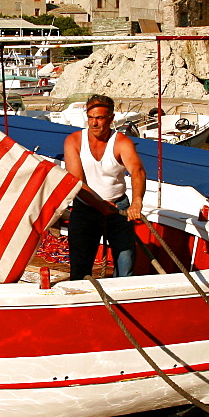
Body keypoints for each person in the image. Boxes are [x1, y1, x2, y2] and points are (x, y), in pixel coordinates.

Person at [63, 94, 146, 280]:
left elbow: (137, 171)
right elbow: (77, 182)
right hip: (85, 209)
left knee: (126, 266)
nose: (94, 123)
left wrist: (137, 203)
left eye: (99, 118)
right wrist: (100, 206)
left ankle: (121, 301)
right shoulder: (74, 142)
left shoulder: (122, 143)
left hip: (118, 209)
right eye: (90, 117)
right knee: (80, 268)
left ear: (111, 118)